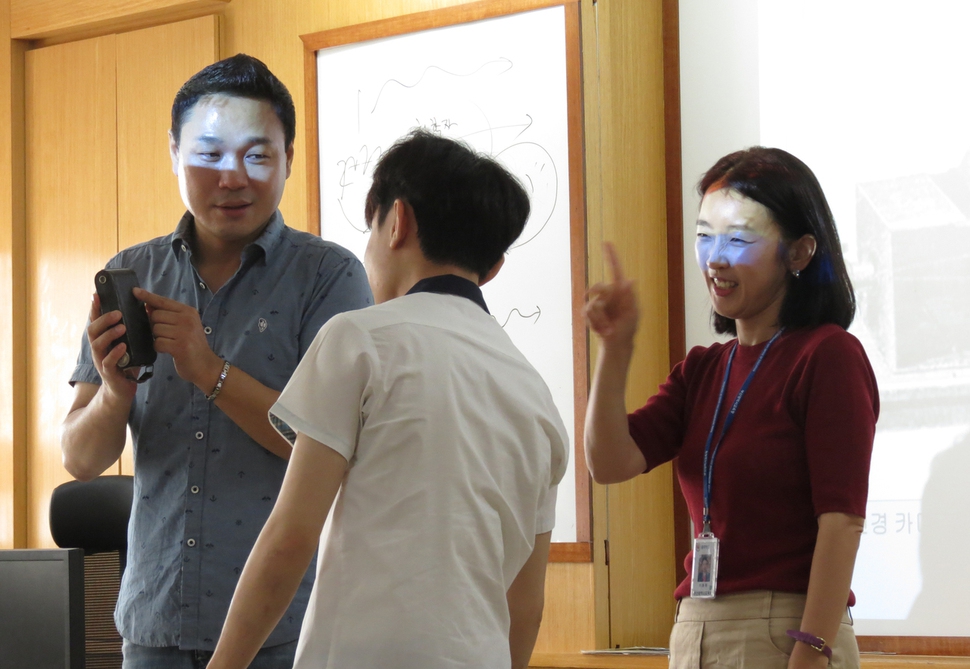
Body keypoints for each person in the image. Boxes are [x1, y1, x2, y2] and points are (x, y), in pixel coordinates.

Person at [206, 129, 568, 669]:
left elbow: (291, 536)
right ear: (492, 269)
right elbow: (526, 604)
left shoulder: (359, 339)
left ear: (397, 221)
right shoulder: (537, 396)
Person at [61, 54, 373, 668]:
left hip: (285, 627)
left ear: (289, 158)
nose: (233, 177)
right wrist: (115, 393)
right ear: (174, 152)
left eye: (258, 155)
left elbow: (329, 449)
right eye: (209, 154)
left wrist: (209, 369)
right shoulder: (136, 271)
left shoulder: (329, 277)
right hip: (153, 621)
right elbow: (79, 458)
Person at [584, 147, 878, 669]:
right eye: (705, 237)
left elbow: (842, 521)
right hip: (695, 626)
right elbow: (609, 463)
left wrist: (811, 649)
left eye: (739, 239)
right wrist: (615, 351)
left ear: (800, 253)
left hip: (786, 630)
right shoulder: (702, 370)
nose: (715, 258)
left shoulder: (827, 355)